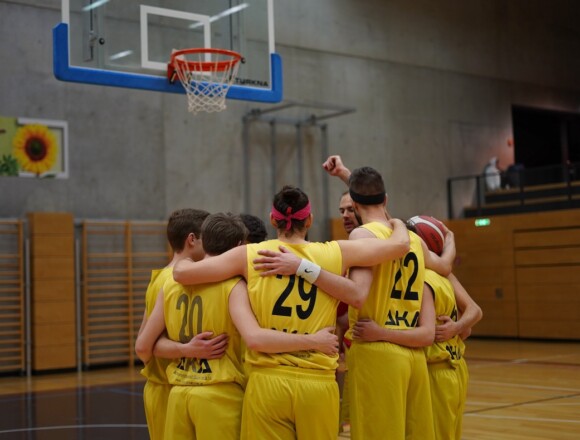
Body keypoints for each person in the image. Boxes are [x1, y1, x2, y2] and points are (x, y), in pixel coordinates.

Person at [172, 185, 412, 440]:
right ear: (309, 220)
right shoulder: (335, 252)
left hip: (267, 382)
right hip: (316, 381)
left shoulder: (250, 254)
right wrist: (394, 221)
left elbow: (182, 274)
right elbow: (400, 245)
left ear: (273, 219)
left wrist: (185, 259)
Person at [136, 212, 342, 440]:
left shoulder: (169, 284)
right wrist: (313, 341)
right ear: (238, 246)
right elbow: (255, 337)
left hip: (177, 393)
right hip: (220, 395)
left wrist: (185, 350)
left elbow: (145, 347)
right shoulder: (234, 286)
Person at [136, 208, 209, 440]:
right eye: (206, 238)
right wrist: (185, 350)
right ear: (192, 240)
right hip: (168, 386)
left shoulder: (159, 277)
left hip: (164, 387)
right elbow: (143, 347)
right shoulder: (178, 280)